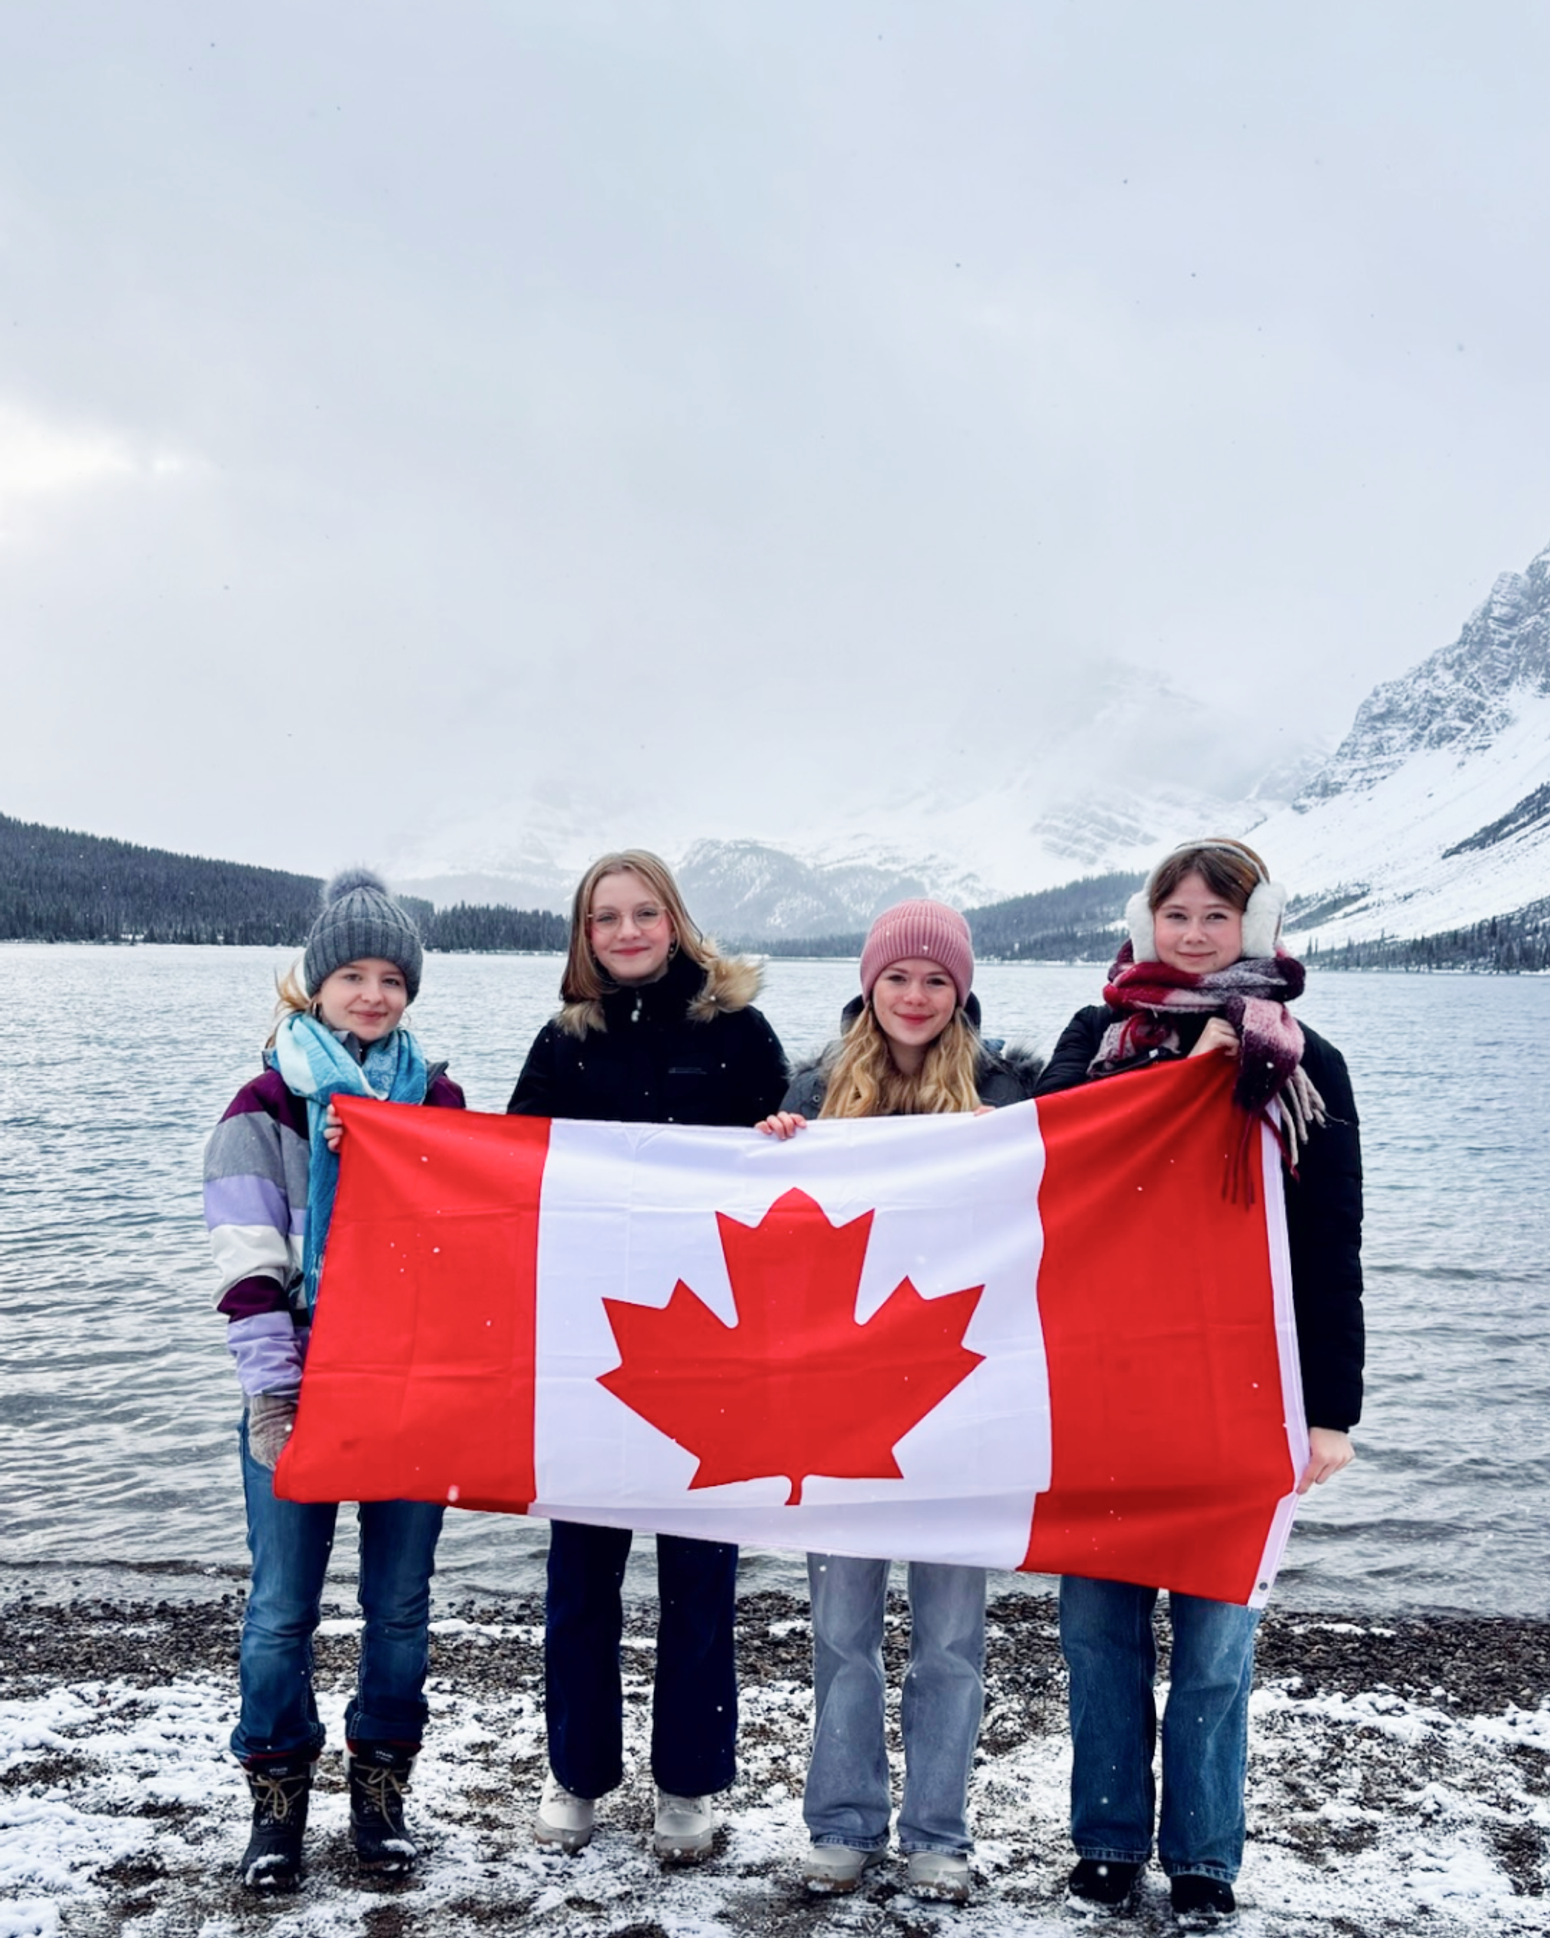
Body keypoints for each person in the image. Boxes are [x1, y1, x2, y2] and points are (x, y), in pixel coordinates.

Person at [1036, 838, 1364, 1932]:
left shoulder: (1302, 1058)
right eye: (1171, 912)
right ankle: (1109, 1841)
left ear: (1253, 925)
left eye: (1212, 916)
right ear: (1143, 920)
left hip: (1240, 1393)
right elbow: (1042, 1166)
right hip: (1103, 1385)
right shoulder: (1094, 1039)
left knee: (1216, 1648)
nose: (1189, 932)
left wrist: (1330, 1413)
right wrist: (1171, 1077)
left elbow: (1328, 1244)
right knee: (1097, 1637)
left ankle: (1205, 1855)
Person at [757, 900, 1042, 1905]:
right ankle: (840, 1823)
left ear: (958, 991)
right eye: (897, 979)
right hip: (835, 1409)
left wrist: (1010, 1142)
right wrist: (774, 1147)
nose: (915, 997)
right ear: (868, 986)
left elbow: (1074, 1193)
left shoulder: (1013, 1086)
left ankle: (937, 1832)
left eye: (935, 981)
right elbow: (761, 1230)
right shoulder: (811, 1085)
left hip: (961, 1404)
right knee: (840, 1632)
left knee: (952, 1638)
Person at [507, 849, 788, 1864]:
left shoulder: (739, 1031)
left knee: (698, 1576)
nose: (625, 932)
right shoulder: (562, 1043)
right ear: (584, 938)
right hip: (591, 1341)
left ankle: (688, 1783)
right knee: (581, 1575)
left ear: (674, 921)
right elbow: (508, 1173)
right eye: (604, 919)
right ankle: (577, 1773)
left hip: (711, 1338)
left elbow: (788, 1167)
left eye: (642, 913)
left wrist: (782, 1132)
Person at [204, 870, 465, 1891]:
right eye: (350, 974)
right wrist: (275, 1395)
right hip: (299, 1384)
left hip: (413, 1386)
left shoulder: (436, 1102)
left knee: (400, 1606)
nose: (370, 993)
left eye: (390, 977)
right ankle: (274, 1798)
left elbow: (471, 1245)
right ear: (313, 985)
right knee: (281, 1607)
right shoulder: (261, 1106)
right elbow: (247, 1267)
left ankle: (381, 1790)